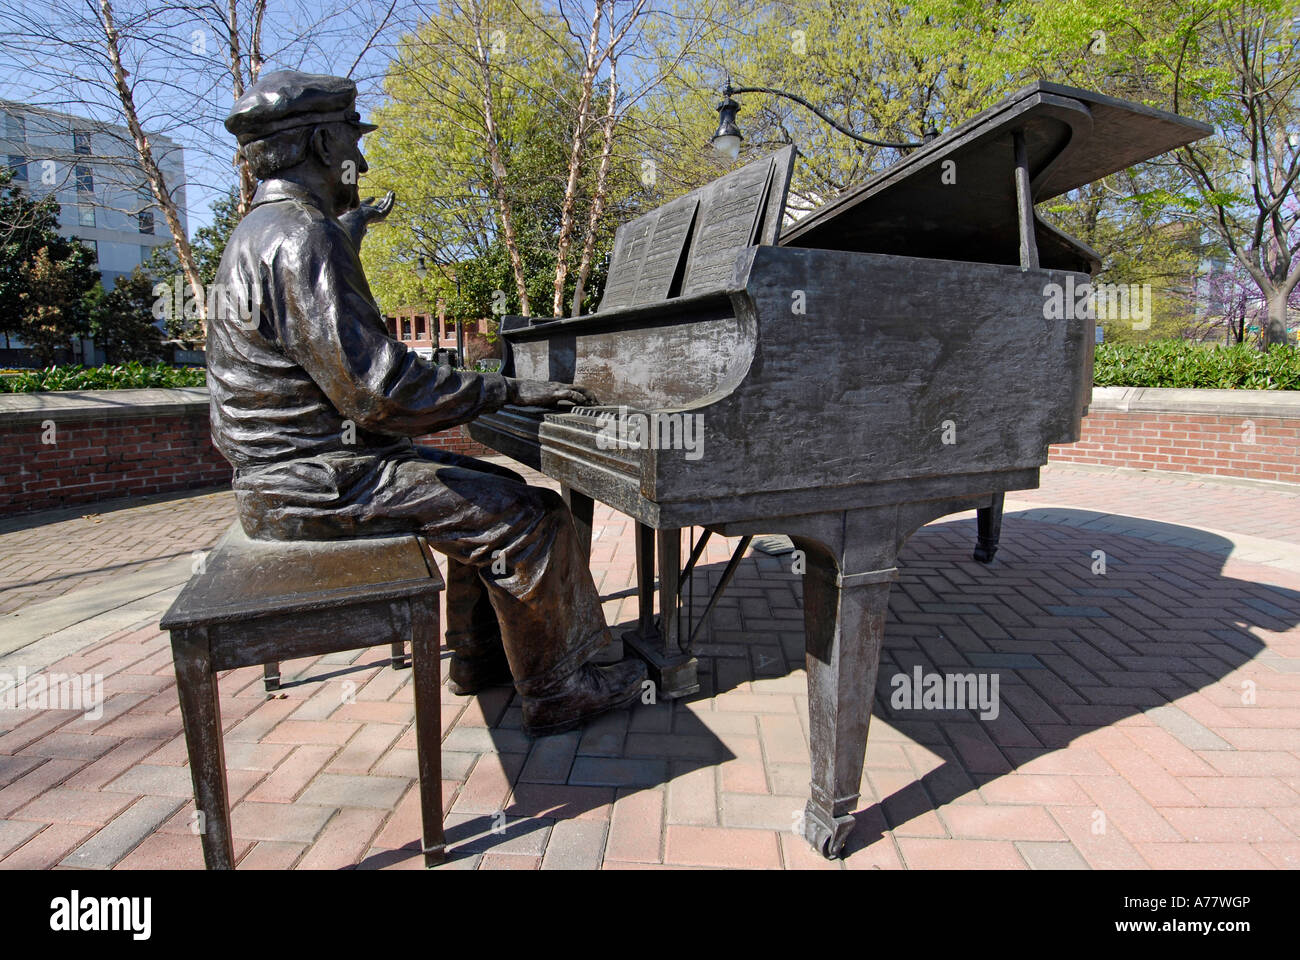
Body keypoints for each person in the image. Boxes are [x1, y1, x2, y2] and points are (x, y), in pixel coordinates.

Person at [209, 70, 646, 736]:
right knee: (529, 515)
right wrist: (506, 389)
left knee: (491, 485)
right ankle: (560, 690)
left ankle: (481, 660)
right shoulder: (302, 239)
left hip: (297, 474)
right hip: (319, 483)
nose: (362, 159)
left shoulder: (268, 230)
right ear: (324, 143)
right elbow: (382, 393)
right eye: (353, 140)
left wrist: (350, 227)